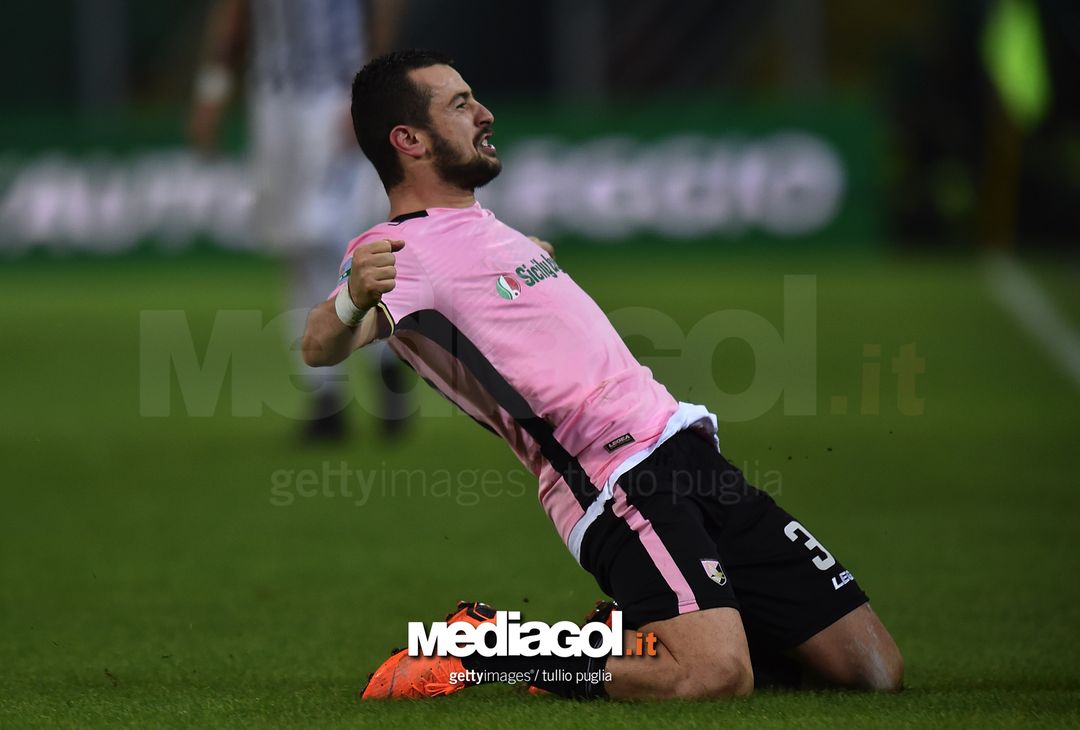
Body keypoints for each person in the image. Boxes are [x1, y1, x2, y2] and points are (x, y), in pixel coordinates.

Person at [301, 49, 903, 701]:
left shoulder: (488, 227)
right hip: (615, 479)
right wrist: (350, 299)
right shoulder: (395, 251)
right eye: (459, 104)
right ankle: (478, 651)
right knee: (715, 676)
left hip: (684, 446)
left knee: (871, 671)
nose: (484, 113)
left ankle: (623, 639)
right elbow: (320, 347)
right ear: (409, 140)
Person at [189, 0, 410, 441]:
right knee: (292, 240)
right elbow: (234, 15)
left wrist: (371, 88)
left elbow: (384, 8)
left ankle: (382, 363)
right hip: (274, 101)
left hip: (335, 91)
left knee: (331, 234)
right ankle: (327, 393)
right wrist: (212, 90)